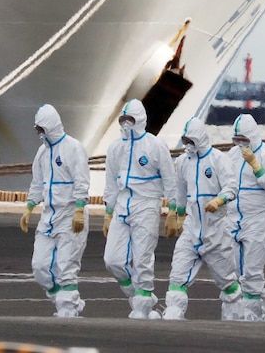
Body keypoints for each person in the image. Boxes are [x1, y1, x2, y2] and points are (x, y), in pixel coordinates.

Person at [102, 99, 178, 320]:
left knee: (142, 257)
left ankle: (143, 305)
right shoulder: (116, 148)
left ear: (140, 120)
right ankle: (140, 295)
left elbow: (169, 178)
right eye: (123, 120)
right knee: (112, 260)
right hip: (123, 205)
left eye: (130, 120)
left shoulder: (155, 145)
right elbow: (110, 181)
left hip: (147, 204)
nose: (126, 124)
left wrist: (173, 209)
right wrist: (109, 211)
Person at [162, 117, 241, 321]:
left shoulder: (218, 160)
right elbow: (180, 191)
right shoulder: (182, 162)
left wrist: (219, 201)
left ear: (199, 139)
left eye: (190, 140)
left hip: (215, 231)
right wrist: (176, 215)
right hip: (191, 230)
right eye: (185, 140)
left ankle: (236, 315)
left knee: (227, 282)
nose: (187, 145)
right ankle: (173, 313)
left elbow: (231, 187)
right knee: (177, 275)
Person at [20, 104, 90, 317]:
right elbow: (37, 182)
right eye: (37, 130)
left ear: (51, 125)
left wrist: (79, 207)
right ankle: (65, 300)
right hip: (49, 216)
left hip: (70, 215)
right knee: (40, 266)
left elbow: (81, 178)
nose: (40, 134)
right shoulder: (42, 152)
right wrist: (30, 206)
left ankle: (68, 308)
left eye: (42, 129)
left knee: (66, 265)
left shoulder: (73, 147)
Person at [227, 113, 265, 321]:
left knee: (252, 270)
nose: (241, 144)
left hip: (258, 219)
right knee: (231, 270)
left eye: (244, 139)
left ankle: (251, 317)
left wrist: (256, 167)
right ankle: (264, 300)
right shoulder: (231, 155)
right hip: (232, 218)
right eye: (237, 139)